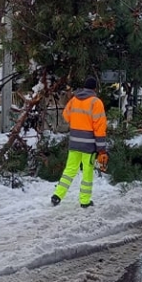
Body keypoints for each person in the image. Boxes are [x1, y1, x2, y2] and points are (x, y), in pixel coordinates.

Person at [52, 76, 108, 208]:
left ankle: (57, 195)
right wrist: (101, 148)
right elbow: (100, 128)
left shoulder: (74, 100)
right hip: (89, 146)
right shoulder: (96, 102)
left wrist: (77, 122)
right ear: (95, 88)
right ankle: (85, 201)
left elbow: (66, 115)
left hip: (74, 143)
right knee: (87, 173)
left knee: (70, 170)